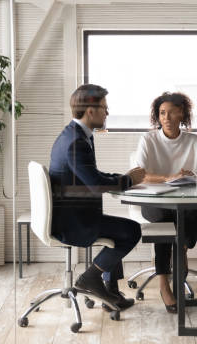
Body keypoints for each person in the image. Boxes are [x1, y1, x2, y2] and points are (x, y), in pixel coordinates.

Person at [49, 84, 146, 311]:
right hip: (74, 223)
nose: (107, 112)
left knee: (119, 228)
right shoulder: (76, 143)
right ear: (90, 111)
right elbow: (95, 184)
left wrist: (123, 178)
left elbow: (92, 176)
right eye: (104, 107)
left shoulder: (76, 136)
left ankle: (110, 292)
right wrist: (128, 181)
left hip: (76, 215)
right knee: (131, 231)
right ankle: (92, 278)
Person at [133, 92, 197, 313]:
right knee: (164, 223)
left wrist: (191, 175)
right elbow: (140, 174)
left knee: (196, 213)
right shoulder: (148, 140)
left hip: (184, 201)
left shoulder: (193, 140)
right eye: (161, 113)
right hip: (154, 202)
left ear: (182, 114)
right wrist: (168, 177)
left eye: (170, 112)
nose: (165, 117)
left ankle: (182, 249)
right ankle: (163, 284)